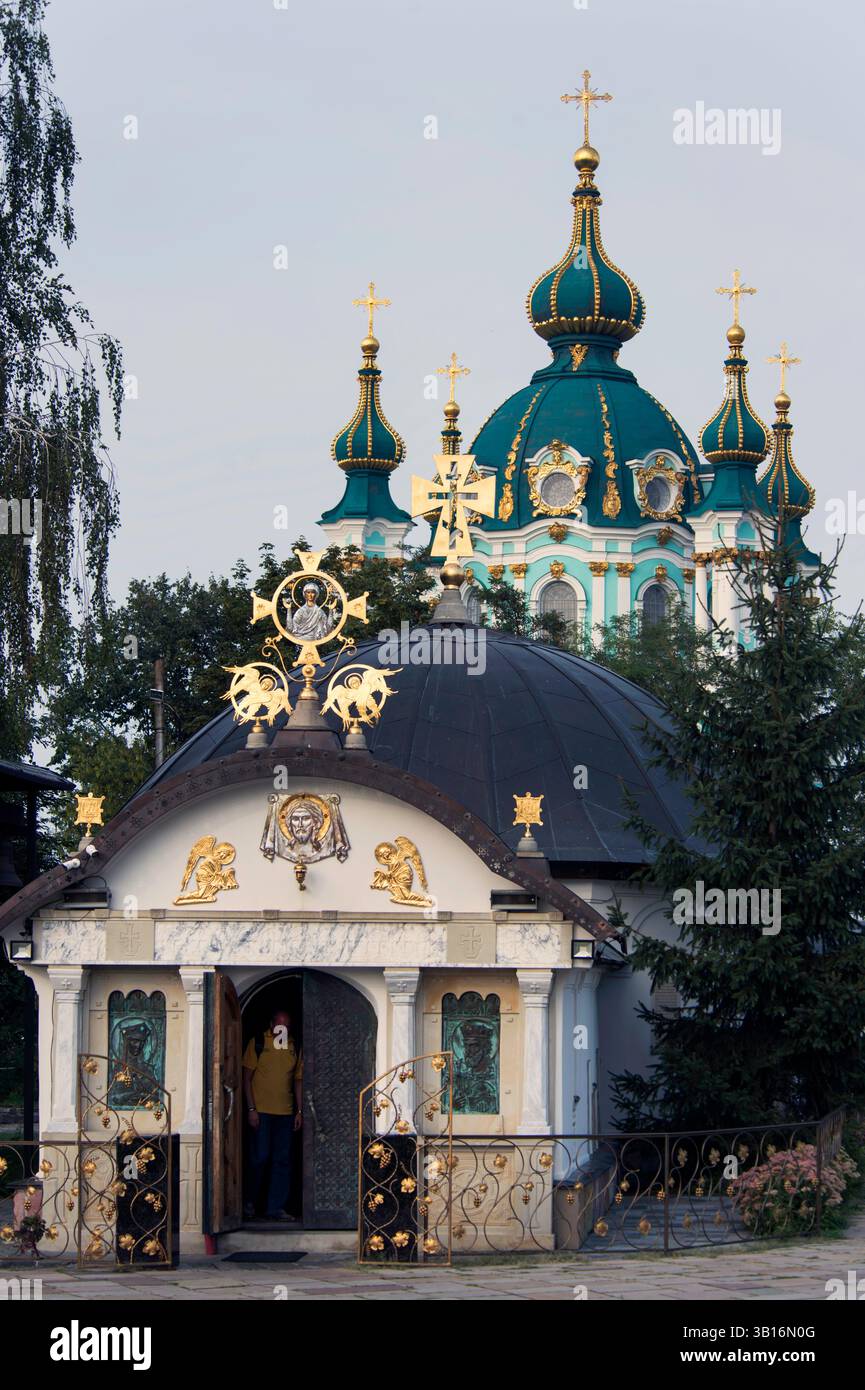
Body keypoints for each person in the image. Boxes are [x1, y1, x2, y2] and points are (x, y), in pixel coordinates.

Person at [242, 1009, 303, 1220]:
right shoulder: (259, 1042)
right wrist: (251, 1109)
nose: (282, 1029)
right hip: (261, 1113)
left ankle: (275, 1208)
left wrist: (299, 1110)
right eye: (279, 1025)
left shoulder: (295, 1046)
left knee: (282, 1161)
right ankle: (249, 1202)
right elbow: (246, 1078)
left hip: (285, 1113)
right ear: (271, 1024)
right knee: (260, 1157)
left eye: (286, 1026)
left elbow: (298, 1080)